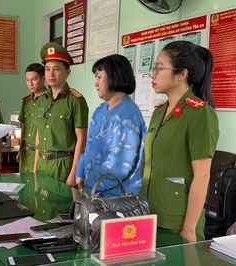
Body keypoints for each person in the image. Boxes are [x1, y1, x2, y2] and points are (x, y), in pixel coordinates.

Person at [141, 40, 220, 247]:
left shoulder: (200, 113)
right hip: (149, 211)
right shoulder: (159, 112)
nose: (153, 74)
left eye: (159, 68)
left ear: (182, 74)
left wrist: (189, 228)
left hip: (176, 220)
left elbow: (202, 176)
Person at [76, 54, 146, 197]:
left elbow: (120, 164)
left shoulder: (127, 114)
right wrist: (81, 172)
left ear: (114, 76)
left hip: (116, 196)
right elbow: (89, 147)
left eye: (99, 77)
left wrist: (92, 185)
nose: (96, 83)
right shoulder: (100, 110)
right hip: (96, 191)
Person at [35, 42, 89, 187]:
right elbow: (39, 135)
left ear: (67, 72)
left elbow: (81, 139)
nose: (51, 74)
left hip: (63, 166)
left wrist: (74, 173)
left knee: (60, 208)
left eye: (56, 69)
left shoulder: (76, 100)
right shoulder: (41, 100)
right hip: (42, 164)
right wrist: (35, 167)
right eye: (47, 69)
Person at [17, 63, 47, 173]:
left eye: (34, 79)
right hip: (26, 153)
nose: (30, 83)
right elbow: (24, 126)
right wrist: (20, 149)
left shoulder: (49, 99)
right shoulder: (26, 101)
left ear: (43, 78)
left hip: (41, 154)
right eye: (27, 80)